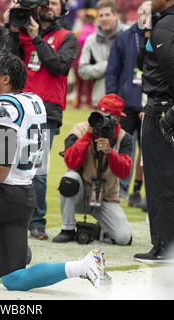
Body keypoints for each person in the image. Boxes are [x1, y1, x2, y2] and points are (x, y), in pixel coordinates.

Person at [0, 51, 110, 293]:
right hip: (23, 197)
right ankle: (83, 266)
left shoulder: (4, 106)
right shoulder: (32, 100)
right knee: (14, 279)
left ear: (6, 80)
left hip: (4, 195)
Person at [0, 0, 78, 241]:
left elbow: (59, 66)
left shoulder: (67, 37)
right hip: (17, 106)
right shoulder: (20, 32)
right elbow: (3, 59)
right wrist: (9, 28)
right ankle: (6, 214)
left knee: (38, 170)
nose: (49, 7)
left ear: (63, 10)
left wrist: (37, 38)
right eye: (45, 2)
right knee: (5, 163)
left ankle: (37, 221)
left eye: (54, 3)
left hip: (46, 110)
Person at [52, 94, 133, 245]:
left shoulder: (124, 138)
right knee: (69, 179)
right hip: (80, 193)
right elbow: (71, 161)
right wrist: (88, 136)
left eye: (110, 118)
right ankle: (67, 229)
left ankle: (99, 228)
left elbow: (124, 172)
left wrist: (111, 153)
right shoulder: (80, 129)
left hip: (106, 197)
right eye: (101, 116)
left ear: (118, 119)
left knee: (123, 238)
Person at [134, 0, 174, 263]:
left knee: (160, 182)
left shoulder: (167, 25)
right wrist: (147, 29)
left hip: (162, 111)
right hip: (163, 109)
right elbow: (146, 62)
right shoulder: (162, 24)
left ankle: (164, 247)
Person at [105, 14, 145, 203]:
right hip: (125, 105)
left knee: (147, 151)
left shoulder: (162, 35)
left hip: (149, 104)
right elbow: (112, 71)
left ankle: (140, 192)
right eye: (144, 12)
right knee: (123, 147)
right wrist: (113, 100)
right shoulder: (124, 37)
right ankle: (119, 189)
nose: (147, 17)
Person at [78, 0, 127, 108]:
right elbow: (82, 71)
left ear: (115, 15)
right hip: (101, 102)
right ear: (97, 18)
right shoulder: (91, 40)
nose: (104, 18)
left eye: (107, 14)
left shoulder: (129, 34)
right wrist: (109, 65)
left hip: (127, 100)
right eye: (101, 15)